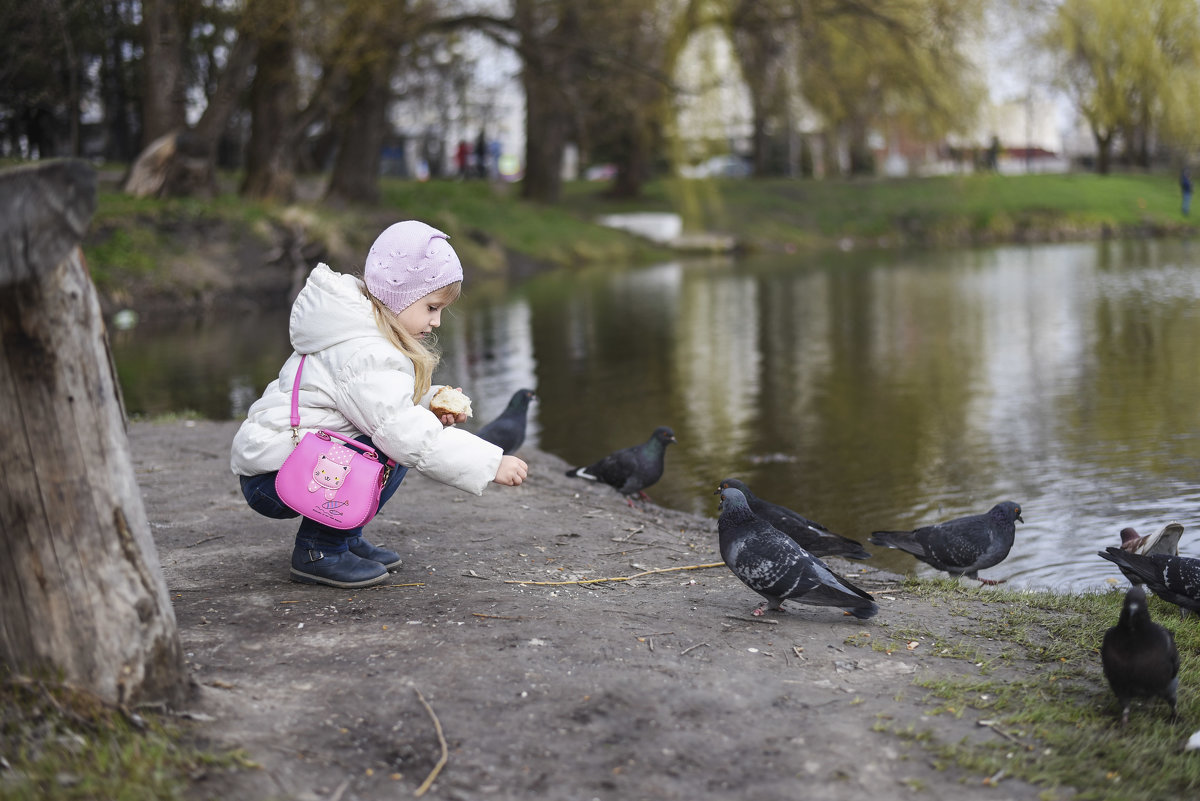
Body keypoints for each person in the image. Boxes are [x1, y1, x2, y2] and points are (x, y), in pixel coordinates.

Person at [230, 221, 528, 588]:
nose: (436, 322)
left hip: (287, 461)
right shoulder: (365, 351)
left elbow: (383, 399)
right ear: (399, 297)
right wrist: (489, 461)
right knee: (391, 443)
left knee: (389, 439)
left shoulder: (361, 330)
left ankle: (344, 535)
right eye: (432, 307)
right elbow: (400, 427)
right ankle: (319, 550)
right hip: (275, 476)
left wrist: (430, 401)